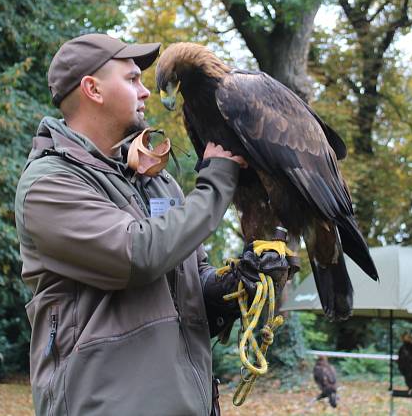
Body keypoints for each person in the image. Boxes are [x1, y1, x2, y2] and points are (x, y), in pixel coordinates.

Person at [15, 33, 259, 416]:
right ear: (92, 89)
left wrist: (233, 288)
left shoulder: (156, 179)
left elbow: (192, 275)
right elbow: (138, 254)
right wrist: (217, 182)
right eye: (132, 80)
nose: (145, 92)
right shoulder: (49, 184)